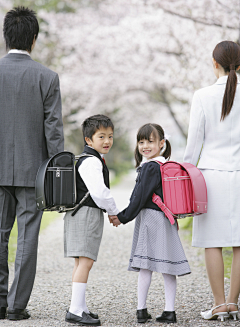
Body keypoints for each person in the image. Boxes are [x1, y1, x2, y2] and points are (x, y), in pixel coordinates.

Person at [0, 7, 64, 321]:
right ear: (34, 40)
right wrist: (56, 175)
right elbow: (53, 131)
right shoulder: (47, 77)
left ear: (5, 36)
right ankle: (15, 306)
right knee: (26, 237)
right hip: (32, 172)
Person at [110, 123, 191, 324]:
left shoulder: (150, 167)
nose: (145, 146)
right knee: (167, 265)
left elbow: (138, 198)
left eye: (150, 141)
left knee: (146, 265)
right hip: (166, 218)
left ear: (162, 143)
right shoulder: (162, 165)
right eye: (141, 141)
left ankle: (141, 310)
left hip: (149, 219)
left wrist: (122, 217)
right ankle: (169, 311)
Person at [183, 40, 240, 322]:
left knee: (213, 243)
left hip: (211, 177)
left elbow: (194, 144)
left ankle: (219, 305)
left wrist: (183, 173)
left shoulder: (202, 95)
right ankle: (233, 302)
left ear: (213, 63)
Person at [64, 114, 119, 326]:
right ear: (88, 140)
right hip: (86, 214)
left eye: (110, 136)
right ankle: (76, 310)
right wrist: (113, 211)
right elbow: (99, 192)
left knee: (81, 261)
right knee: (86, 261)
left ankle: (79, 306)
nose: (107, 141)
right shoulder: (92, 162)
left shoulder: (87, 159)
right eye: (101, 136)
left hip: (78, 213)